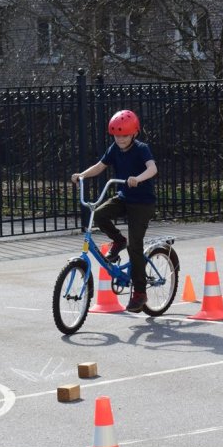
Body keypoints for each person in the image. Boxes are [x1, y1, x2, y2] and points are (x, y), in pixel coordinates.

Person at [71, 109, 158, 313]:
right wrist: (81, 175)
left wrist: (139, 178)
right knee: (100, 214)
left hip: (142, 203)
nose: (120, 139)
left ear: (134, 134)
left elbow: (153, 168)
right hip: (124, 198)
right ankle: (118, 240)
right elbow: (100, 166)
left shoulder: (141, 149)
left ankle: (139, 292)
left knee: (135, 246)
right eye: (117, 135)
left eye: (125, 135)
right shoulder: (114, 149)